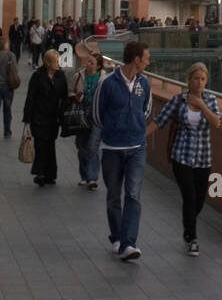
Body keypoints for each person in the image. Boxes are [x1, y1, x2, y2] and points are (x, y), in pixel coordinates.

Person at [148, 62, 222, 255]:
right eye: (196, 79)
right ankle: (192, 238)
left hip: (203, 157)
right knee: (189, 197)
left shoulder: (211, 99)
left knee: (199, 199)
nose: (199, 83)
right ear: (188, 80)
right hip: (182, 155)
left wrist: (201, 105)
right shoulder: (178, 100)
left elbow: (218, 123)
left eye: (203, 79)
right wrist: (140, 137)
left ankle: (188, 225)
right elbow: (160, 121)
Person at [93, 41, 152, 261]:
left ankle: (129, 243)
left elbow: (145, 111)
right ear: (136, 59)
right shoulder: (108, 83)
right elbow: (97, 114)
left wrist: (135, 127)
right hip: (112, 148)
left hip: (136, 146)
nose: (148, 61)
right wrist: (113, 128)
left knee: (133, 194)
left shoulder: (144, 84)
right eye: (146, 57)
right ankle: (117, 237)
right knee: (113, 195)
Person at [22, 48, 67, 186]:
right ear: (48, 63)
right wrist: (27, 119)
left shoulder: (60, 76)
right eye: (56, 62)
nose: (58, 64)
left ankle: (50, 174)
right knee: (40, 144)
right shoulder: (37, 76)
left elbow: (64, 96)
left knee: (50, 144)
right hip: (39, 116)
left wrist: (64, 114)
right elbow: (31, 97)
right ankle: (40, 172)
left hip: (54, 117)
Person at [70, 44, 107, 189]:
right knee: (81, 146)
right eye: (88, 61)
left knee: (92, 147)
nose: (88, 64)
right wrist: (75, 96)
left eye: (91, 63)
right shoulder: (79, 76)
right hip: (81, 113)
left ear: (98, 67)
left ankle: (92, 178)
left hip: (97, 115)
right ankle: (84, 175)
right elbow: (70, 91)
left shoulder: (104, 79)